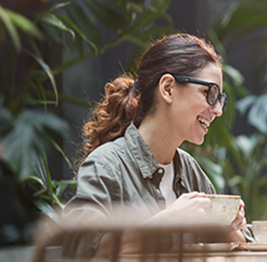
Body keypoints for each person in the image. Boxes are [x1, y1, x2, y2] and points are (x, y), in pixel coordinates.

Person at [62, 33, 246, 257]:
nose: (217, 110)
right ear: (168, 88)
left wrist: (230, 232)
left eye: (220, 99)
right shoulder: (106, 166)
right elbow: (83, 252)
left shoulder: (190, 172)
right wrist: (166, 224)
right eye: (210, 94)